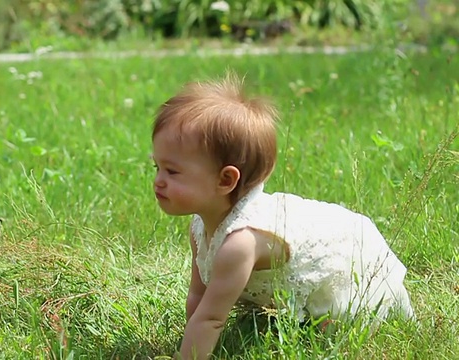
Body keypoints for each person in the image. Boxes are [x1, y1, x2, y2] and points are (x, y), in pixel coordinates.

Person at [150, 73, 415, 360]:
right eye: (157, 168)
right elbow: (200, 299)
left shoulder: (239, 244)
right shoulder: (199, 226)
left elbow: (212, 318)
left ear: (226, 180)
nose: (159, 181)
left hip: (347, 264)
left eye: (172, 172)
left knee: (329, 332)